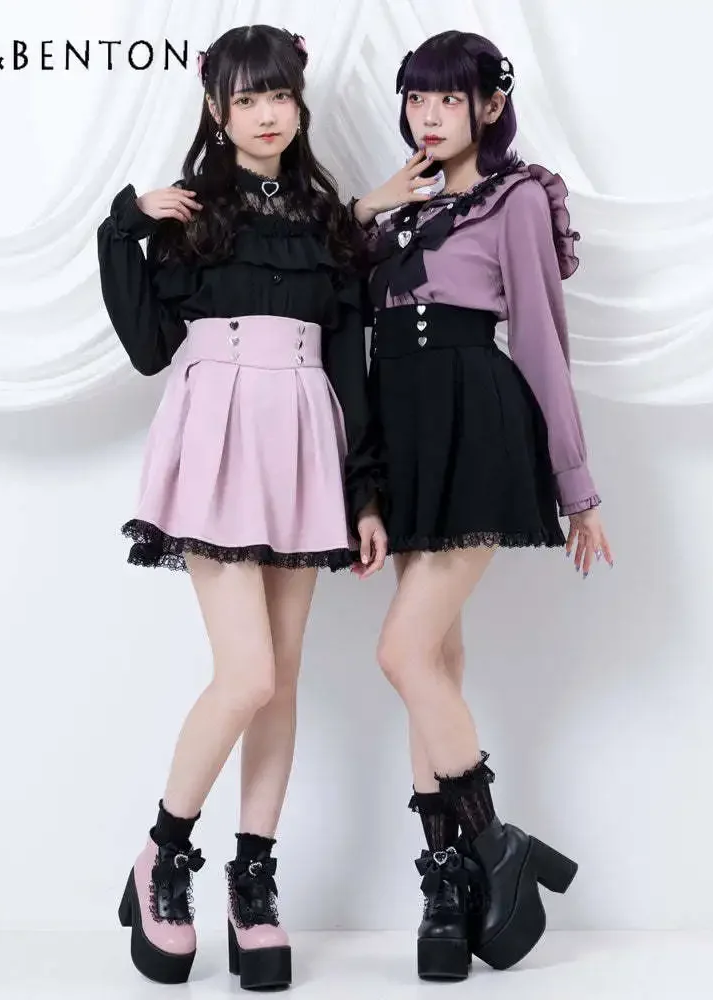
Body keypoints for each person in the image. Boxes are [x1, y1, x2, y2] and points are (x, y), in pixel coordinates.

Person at [96, 24, 387, 989]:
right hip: (216, 433)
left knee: (283, 680)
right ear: (217, 111)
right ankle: (163, 854)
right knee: (248, 674)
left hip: (304, 439)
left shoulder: (324, 220)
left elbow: (348, 361)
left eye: (280, 95)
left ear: (300, 104)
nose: (266, 114)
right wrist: (125, 224)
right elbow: (149, 347)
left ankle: (251, 881)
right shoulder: (190, 212)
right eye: (247, 98)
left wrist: (364, 491)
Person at [350, 30, 613, 981]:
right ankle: (448, 887)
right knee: (436, 660)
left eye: (449, 99)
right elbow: (333, 294)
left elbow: (541, 338)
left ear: (489, 107)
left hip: (477, 424)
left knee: (401, 651)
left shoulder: (519, 198)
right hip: (407, 438)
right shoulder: (395, 208)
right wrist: (369, 207)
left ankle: (496, 843)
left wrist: (577, 487)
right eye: (416, 97)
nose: (428, 115)